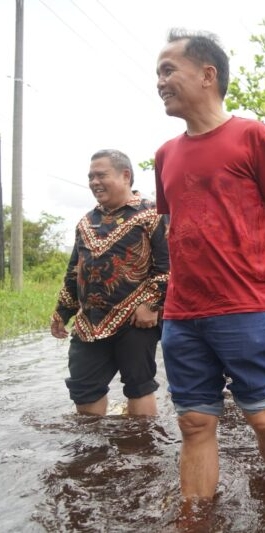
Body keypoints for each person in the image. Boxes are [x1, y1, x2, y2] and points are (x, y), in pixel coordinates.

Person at [154, 29, 265, 503]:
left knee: (261, 415)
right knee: (194, 422)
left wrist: (262, 279)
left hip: (245, 308)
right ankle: (194, 517)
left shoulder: (252, 135)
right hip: (182, 312)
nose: (160, 81)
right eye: (158, 72)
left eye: (169, 69)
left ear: (208, 74)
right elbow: (175, 226)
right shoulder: (165, 155)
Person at [51, 149, 169, 417]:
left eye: (101, 175)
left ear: (125, 175)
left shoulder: (153, 214)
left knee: (139, 386)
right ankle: (93, 455)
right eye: (91, 176)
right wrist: (62, 311)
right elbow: (74, 272)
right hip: (89, 321)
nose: (94, 182)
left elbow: (169, 265)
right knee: (83, 387)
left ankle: (142, 453)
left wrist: (152, 305)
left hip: (136, 320)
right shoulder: (86, 222)